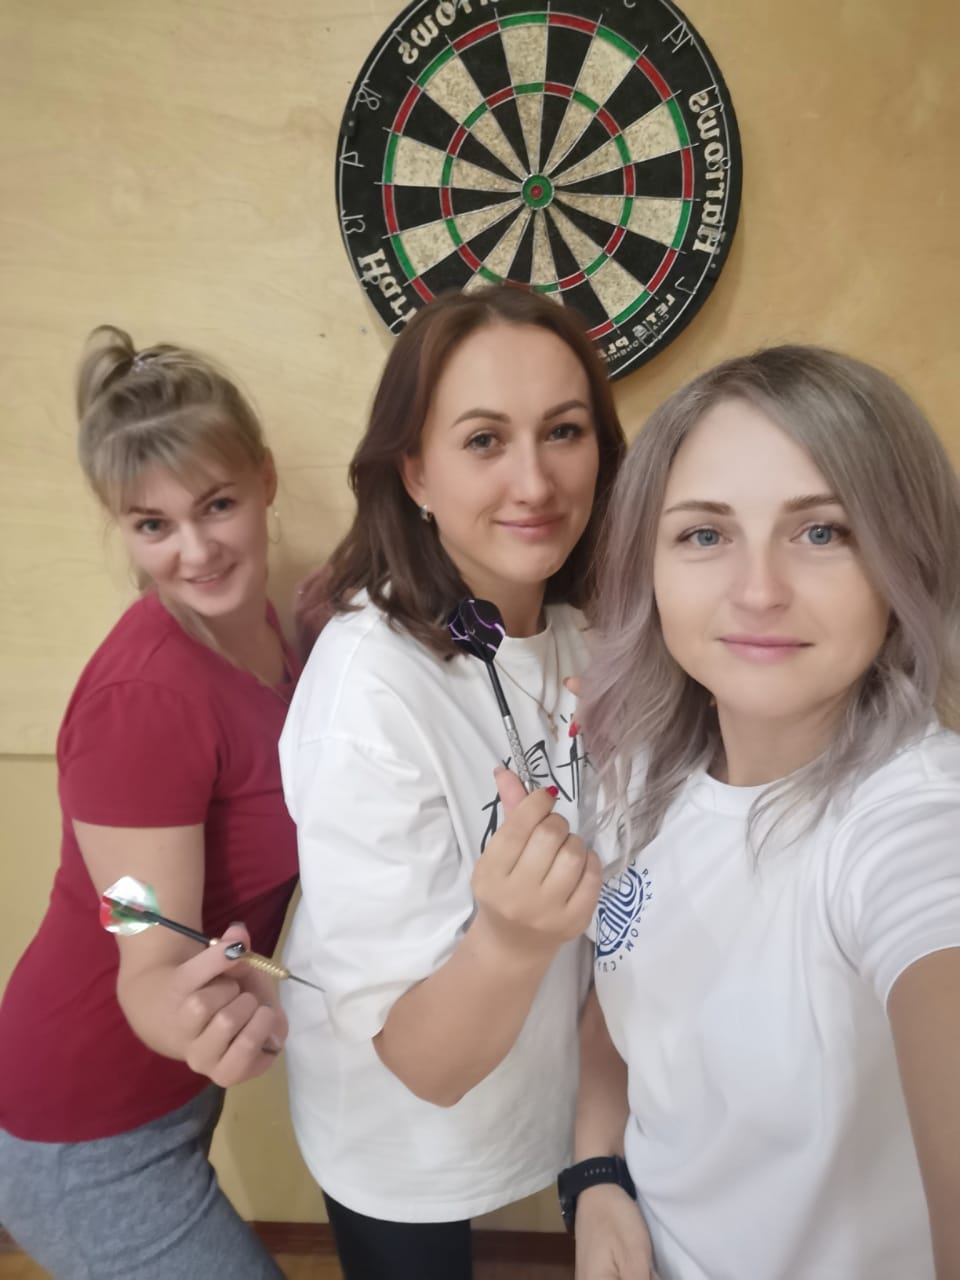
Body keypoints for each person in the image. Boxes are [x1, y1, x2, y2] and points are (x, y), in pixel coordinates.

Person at [568, 345, 960, 1279]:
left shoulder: (915, 821)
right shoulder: (641, 773)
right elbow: (625, 995)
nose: (757, 590)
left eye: (821, 531)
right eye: (705, 534)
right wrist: (594, 1173)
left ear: (905, 555)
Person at [281, 284, 626, 1279]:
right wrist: (513, 936)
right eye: (484, 440)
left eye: (563, 431)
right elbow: (422, 1065)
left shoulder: (592, 636)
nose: (535, 480)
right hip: (404, 1130)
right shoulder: (370, 688)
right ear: (416, 472)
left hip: (556, 1089)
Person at [0, 326, 301, 1279]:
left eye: (217, 505)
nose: (197, 551)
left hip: (168, 1097)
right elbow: (143, 942)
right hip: (84, 1128)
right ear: (120, 526)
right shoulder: (142, 702)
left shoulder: (268, 628)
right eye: (153, 525)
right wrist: (193, 1019)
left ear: (264, 479)